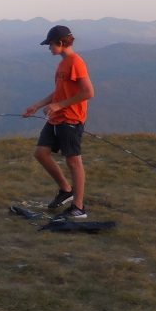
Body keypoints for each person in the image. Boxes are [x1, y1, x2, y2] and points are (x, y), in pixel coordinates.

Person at [23, 24, 95, 219]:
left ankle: (78, 207)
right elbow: (59, 92)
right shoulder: (63, 64)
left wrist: (60, 105)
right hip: (57, 118)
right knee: (41, 153)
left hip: (71, 119)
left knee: (73, 161)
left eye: (51, 44)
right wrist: (37, 105)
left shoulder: (76, 62)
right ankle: (65, 189)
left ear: (61, 43)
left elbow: (88, 92)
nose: (49, 48)